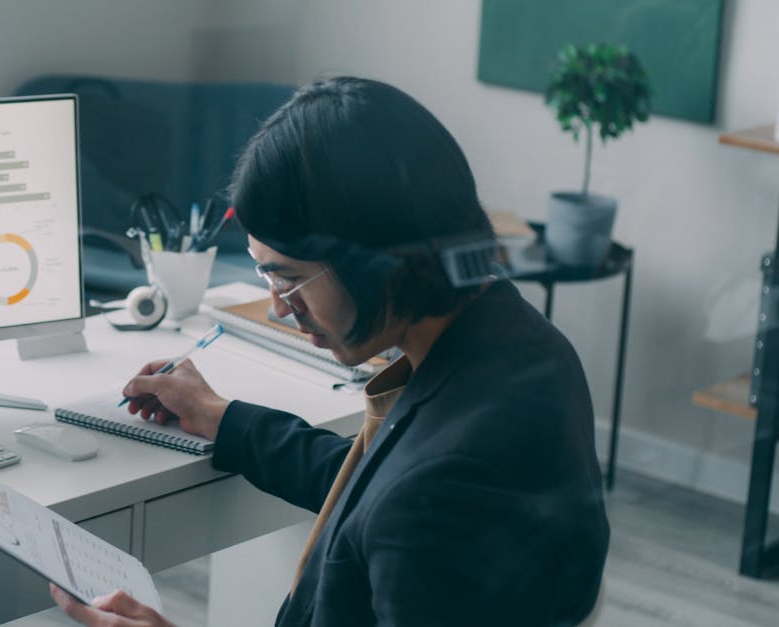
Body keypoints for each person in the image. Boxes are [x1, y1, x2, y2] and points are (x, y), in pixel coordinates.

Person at [51, 76, 609, 626]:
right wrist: (223, 418)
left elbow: (406, 497)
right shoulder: (521, 343)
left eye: (287, 278)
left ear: (375, 260)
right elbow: (373, 488)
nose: (278, 306)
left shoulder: (442, 490)